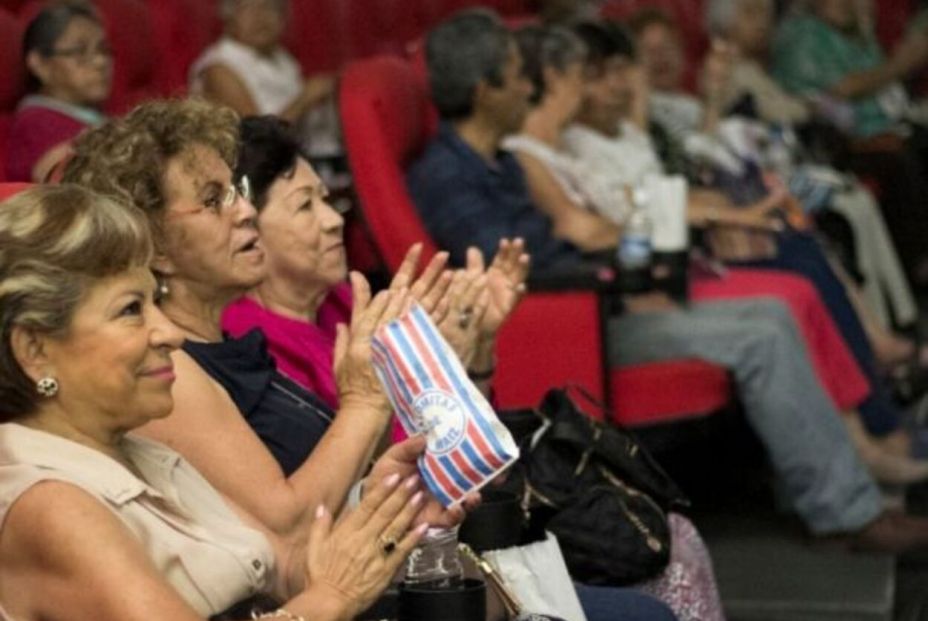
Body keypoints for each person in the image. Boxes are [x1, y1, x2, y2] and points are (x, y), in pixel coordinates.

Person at [62, 100, 680, 621]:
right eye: (213, 200)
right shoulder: (168, 369)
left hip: (403, 568)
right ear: (156, 245)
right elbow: (292, 525)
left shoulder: (231, 347)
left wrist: (456, 363)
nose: (243, 211)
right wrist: (370, 394)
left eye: (238, 192)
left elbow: (370, 475)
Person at [406, 8, 928, 553]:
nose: (528, 86)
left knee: (774, 311)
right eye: (516, 75)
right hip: (574, 327)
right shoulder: (448, 176)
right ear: (485, 89)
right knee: (764, 333)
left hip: (596, 307)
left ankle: (828, 486)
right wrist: (620, 271)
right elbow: (511, 279)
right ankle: (847, 512)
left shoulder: (492, 161)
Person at [0, 184, 429, 620]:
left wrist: (383, 506)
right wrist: (333, 598)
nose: (171, 334)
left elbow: (290, 572)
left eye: (155, 302)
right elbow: (321, 592)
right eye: (131, 309)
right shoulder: (48, 504)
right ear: (34, 350)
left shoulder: (143, 453)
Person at [505, 23, 887, 463]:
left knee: (793, 278)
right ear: (556, 80)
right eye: (585, 74)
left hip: (645, 274)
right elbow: (594, 225)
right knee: (787, 298)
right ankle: (862, 456)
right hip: (620, 295)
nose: (607, 86)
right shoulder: (538, 151)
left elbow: (639, 192)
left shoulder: (569, 144)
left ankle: (864, 447)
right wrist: (721, 216)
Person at [222, 115, 529, 410]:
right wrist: (446, 364)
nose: (333, 221)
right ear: (248, 229)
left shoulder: (343, 300)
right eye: (305, 206)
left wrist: (478, 346)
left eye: (326, 200)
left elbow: (470, 445)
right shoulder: (248, 348)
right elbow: (393, 455)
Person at [190, 0, 340, 158]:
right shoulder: (219, 68)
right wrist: (304, 100)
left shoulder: (282, 59)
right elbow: (258, 139)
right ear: (229, 18)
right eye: (249, 7)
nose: (261, 16)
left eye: (270, 7)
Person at [5, 2, 110, 182]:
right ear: (39, 64)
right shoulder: (36, 125)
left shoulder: (90, 113)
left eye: (103, 49)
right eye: (79, 51)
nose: (100, 62)